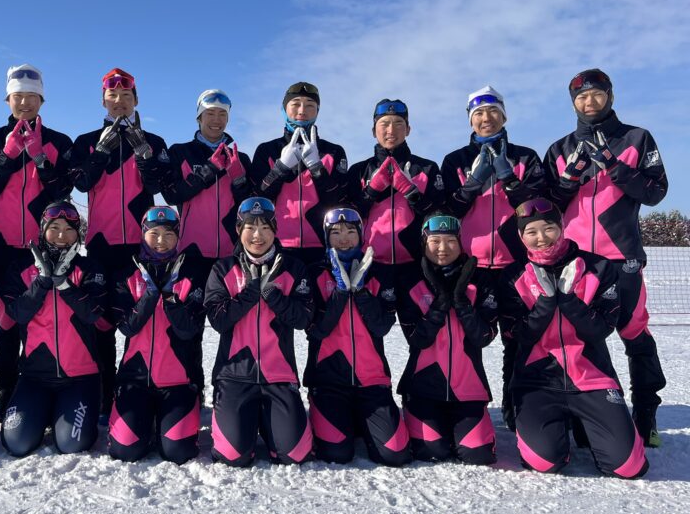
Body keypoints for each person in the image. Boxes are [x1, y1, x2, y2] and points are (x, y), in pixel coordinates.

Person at [544, 69, 668, 447]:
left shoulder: (637, 138)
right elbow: (547, 208)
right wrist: (568, 180)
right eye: (581, 97)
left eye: (597, 94)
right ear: (573, 104)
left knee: (634, 333)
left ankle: (645, 414)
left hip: (622, 256)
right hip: (578, 260)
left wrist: (616, 168)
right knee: (581, 337)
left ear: (610, 96)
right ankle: (591, 415)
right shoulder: (560, 149)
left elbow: (655, 192)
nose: (589, 102)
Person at [498, 199, 648, 478]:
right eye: (531, 232)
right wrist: (545, 304)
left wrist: (569, 300)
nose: (541, 238)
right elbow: (519, 335)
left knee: (628, 466)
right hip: (537, 381)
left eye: (549, 228)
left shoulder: (598, 267)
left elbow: (600, 330)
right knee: (544, 463)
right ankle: (559, 428)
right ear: (521, 236)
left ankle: (587, 425)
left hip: (591, 377)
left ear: (562, 227)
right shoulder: (513, 275)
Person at [440, 86, 547, 429]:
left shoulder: (525, 157)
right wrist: (472, 184)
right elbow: (447, 212)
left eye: (492, 112)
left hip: (516, 263)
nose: (486, 119)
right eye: (478, 114)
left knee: (519, 339)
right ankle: (468, 407)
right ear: (470, 120)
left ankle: (517, 409)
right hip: (471, 265)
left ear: (503, 116)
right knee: (469, 338)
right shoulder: (455, 161)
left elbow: (539, 209)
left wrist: (508, 178)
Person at [0, 65, 73, 423]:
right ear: (8, 99)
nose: (25, 103)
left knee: (42, 319)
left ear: (42, 100)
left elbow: (63, 192)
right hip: (2, 244)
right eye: (18, 97)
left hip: (44, 245)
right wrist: (9, 156)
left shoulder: (59, 142)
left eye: (32, 97)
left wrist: (41, 159)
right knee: (6, 321)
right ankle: (6, 389)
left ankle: (41, 388)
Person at [65, 68, 170, 414]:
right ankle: (104, 394)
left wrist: (144, 153)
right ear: (103, 102)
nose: (120, 102)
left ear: (136, 100)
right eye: (113, 97)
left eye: (126, 97)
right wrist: (100, 152)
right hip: (101, 245)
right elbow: (80, 183)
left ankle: (137, 390)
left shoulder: (154, 141)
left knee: (139, 321)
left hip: (142, 249)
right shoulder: (86, 141)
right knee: (102, 323)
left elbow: (157, 187)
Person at [204, 197, 314, 466]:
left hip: (279, 374)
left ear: (275, 230)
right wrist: (251, 293)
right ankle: (246, 421)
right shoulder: (222, 269)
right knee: (233, 456)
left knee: (294, 454)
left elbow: (303, 319)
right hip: (234, 375)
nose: (258, 235)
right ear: (238, 230)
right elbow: (219, 321)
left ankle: (269, 421)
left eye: (265, 227)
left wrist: (273, 296)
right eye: (250, 227)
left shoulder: (293, 268)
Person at [0, 201, 110, 457]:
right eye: (55, 228)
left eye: (69, 229)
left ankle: (61, 413)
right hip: (34, 377)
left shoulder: (89, 268)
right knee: (17, 443)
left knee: (71, 444)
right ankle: (44, 412)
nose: (62, 235)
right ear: (43, 230)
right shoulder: (21, 269)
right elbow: (17, 313)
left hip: (80, 378)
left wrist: (64, 285)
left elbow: (93, 313)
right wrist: (43, 281)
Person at [304, 208, 410, 466]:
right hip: (328, 381)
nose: (344, 239)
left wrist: (361, 291)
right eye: (336, 233)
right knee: (337, 454)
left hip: (372, 382)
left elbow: (382, 327)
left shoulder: (379, 273)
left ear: (361, 235)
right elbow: (317, 330)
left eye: (351, 232)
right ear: (326, 237)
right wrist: (341, 292)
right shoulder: (314, 273)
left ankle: (361, 421)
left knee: (394, 454)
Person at [108, 206, 208, 464]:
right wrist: (150, 296)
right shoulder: (127, 274)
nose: (161, 241)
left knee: (178, 452)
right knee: (125, 451)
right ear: (143, 234)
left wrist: (170, 299)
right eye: (154, 234)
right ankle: (145, 421)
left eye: (169, 234)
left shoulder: (192, 274)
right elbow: (127, 327)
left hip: (178, 382)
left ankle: (166, 421)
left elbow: (189, 330)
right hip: (135, 379)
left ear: (178, 237)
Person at [396, 213, 497, 465]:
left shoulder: (480, 279)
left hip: (469, 389)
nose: (443, 248)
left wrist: (461, 302)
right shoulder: (410, 280)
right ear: (424, 243)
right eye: (435, 241)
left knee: (478, 455)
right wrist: (440, 304)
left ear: (461, 242)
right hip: (423, 388)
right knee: (433, 452)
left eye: (451, 241)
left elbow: (483, 337)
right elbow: (418, 340)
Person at [345, 99, 443, 316]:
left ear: (408, 129)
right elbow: (347, 219)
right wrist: (371, 191)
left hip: (416, 266)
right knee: (371, 332)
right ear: (374, 131)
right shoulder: (359, 170)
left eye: (399, 123)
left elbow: (439, 215)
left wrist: (411, 192)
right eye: (384, 124)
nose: (391, 130)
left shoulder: (426, 168)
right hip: (371, 265)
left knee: (422, 331)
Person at [248, 82, 348, 266]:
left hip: (322, 247)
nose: (302, 110)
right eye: (295, 104)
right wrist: (280, 169)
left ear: (317, 111)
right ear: (284, 109)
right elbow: (256, 199)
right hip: (276, 246)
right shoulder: (267, 150)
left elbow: (339, 202)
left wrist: (317, 169)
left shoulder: (333, 151)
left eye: (310, 105)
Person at [161, 89, 253, 277]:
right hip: (192, 251)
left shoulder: (240, 158)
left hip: (232, 252)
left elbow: (250, 205)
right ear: (199, 118)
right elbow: (171, 196)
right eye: (210, 113)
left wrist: (239, 181)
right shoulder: (180, 152)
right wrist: (208, 170)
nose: (216, 120)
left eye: (222, 114)